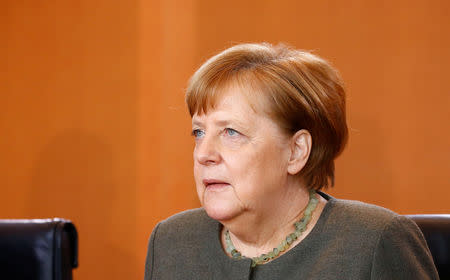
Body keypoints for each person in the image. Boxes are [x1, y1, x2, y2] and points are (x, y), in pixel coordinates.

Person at [144, 43, 438, 279]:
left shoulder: (375, 243)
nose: (203, 153)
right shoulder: (171, 241)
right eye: (198, 132)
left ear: (296, 151)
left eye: (231, 132)